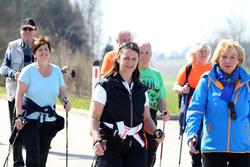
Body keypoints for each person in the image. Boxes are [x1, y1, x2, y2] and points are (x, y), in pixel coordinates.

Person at [90, 42, 165, 167]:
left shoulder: (141, 89)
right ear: (118, 59)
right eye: (126, 58)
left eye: (134, 59)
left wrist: (156, 131)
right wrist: (97, 139)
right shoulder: (105, 86)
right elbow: (94, 118)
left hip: (136, 144)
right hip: (110, 143)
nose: (130, 62)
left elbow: (147, 119)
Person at [186, 39, 250, 167]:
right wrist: (191, 134)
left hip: (242, 148)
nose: (228, 61)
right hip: (212, 147)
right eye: (224, 56)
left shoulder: (247, 84)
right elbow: (195, 110)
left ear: (239, 60)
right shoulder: (206, 81)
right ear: (217, 59)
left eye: (232, 57)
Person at [14, 35, 71, 167]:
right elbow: (20, 93)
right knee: (33, 154)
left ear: (49, 52)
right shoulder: (28, 71)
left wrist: (65, 102)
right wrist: (18, 115)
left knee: (43, 154)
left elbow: (62, 91)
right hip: (29, 118)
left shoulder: (56, 71)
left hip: (49, 120)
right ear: (34, 53)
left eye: (46, 49)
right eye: (40, 49)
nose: (43, 52)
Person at [0, 17, 37, 167]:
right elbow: (2, 68)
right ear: (20, 31)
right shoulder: (12, 46)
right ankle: (17, 163)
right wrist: (14, 74)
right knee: (16, 130)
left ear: (35, 31)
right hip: (16, 94)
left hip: (35, 96)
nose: (27, 32)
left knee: (34, 131)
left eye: (30, 29)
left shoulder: (41, 46)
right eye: (25, 29)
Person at [173, 43, 212, 167]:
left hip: (208, 108)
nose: (204, 53)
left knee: (206, 135)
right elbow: (176, 87)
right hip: (192, 109)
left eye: (206, 51)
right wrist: (183, 89)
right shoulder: (188, 68)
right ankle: (195, 161)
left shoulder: (212, 68)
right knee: (195, 135)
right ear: (194, 53)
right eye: (201, 51)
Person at [138, 41, 170, 167]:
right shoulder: (133, 73)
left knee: (151, 154)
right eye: (141, 53)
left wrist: (164, 111)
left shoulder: (156, 74)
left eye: (146, 53)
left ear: (151, 54)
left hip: (151, 116)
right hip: (136, 116)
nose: (143, 56)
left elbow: (161, 99)